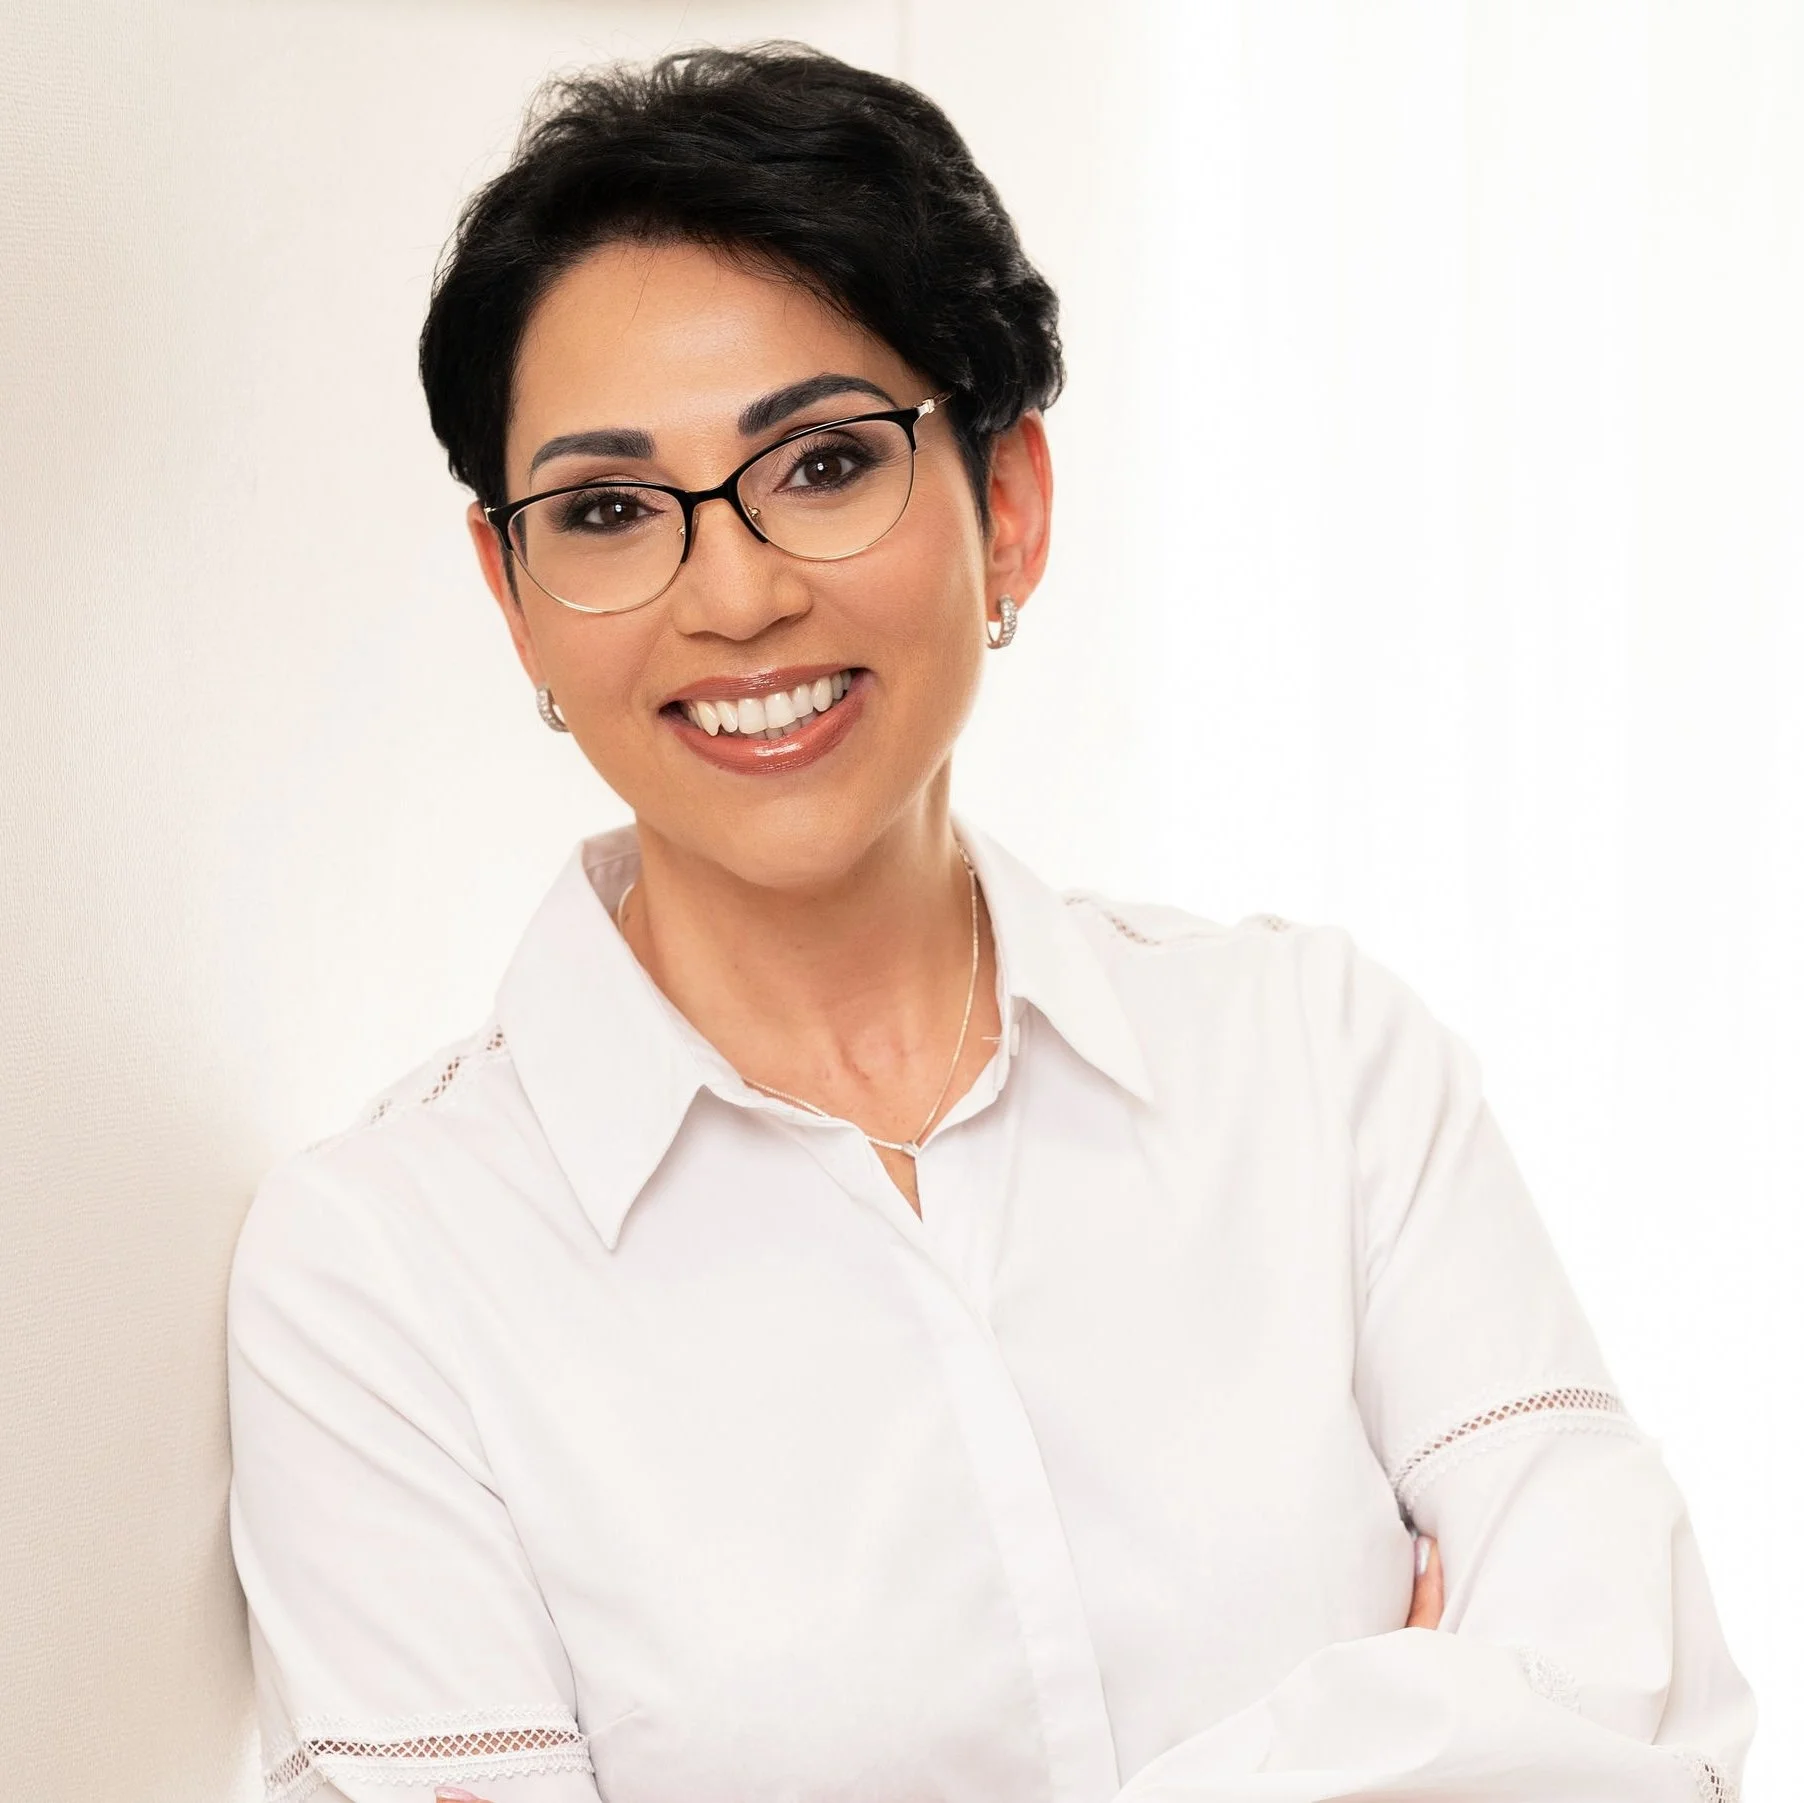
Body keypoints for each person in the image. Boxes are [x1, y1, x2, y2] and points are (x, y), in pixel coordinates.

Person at [224, 43, 1755, 1803]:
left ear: (1007, 507)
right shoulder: (380, 1278)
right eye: (607, 509)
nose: (734, 592)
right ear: (516, 599)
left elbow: (1638, 1734)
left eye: (820, 464)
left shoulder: (1323, 1065)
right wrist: (1393, 1734)